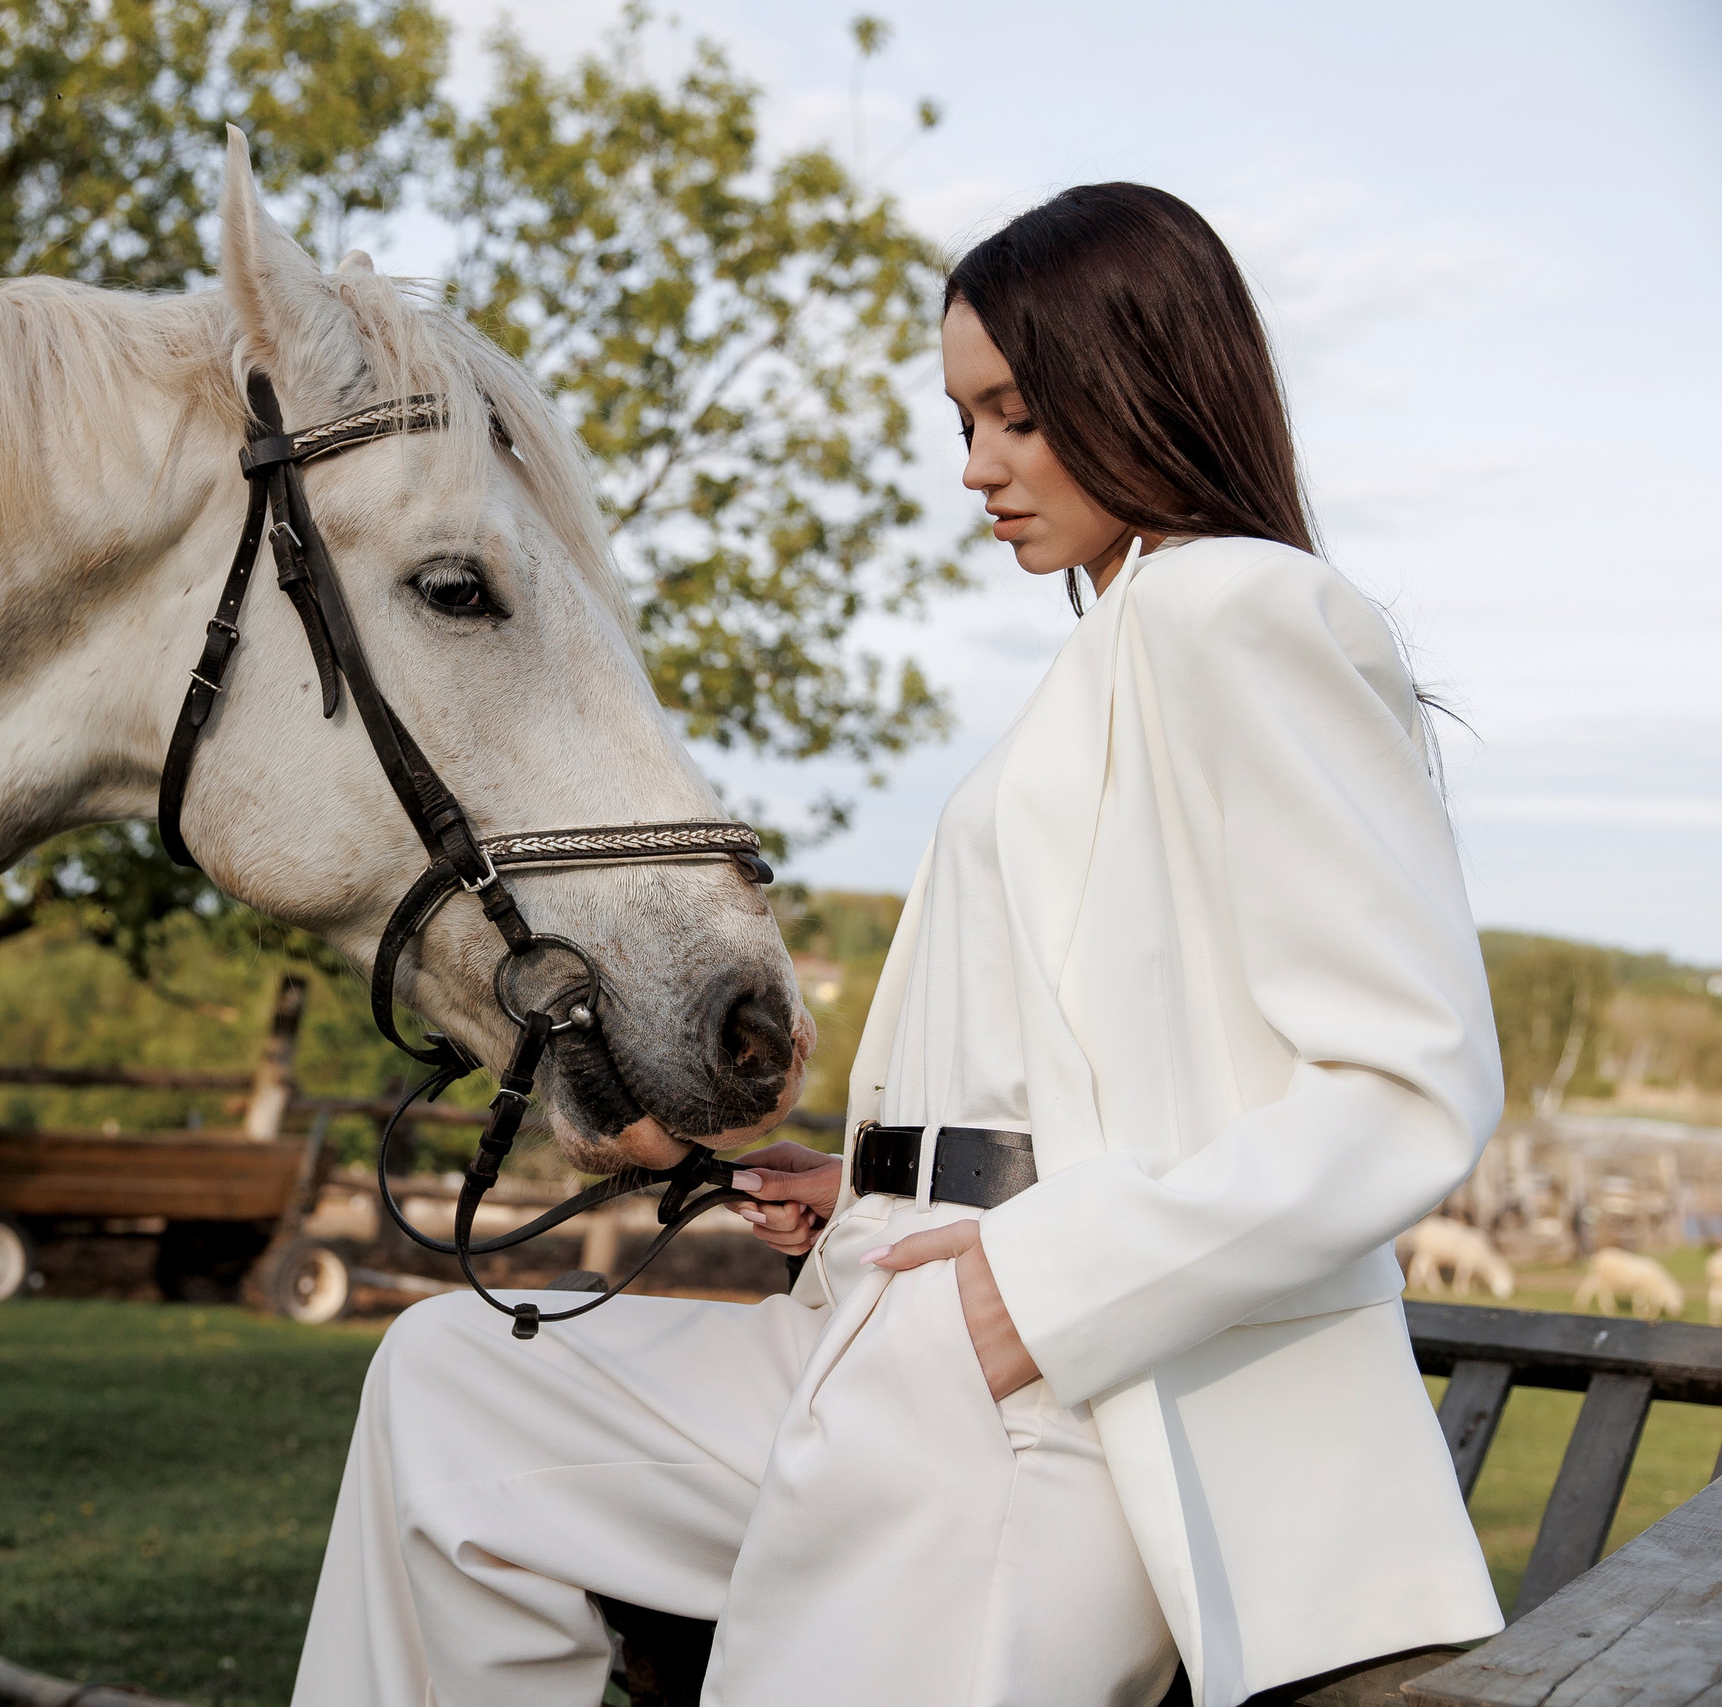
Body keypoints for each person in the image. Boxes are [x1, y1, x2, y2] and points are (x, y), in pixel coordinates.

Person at [291, 183, 1504, 1707]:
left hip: (1055, 1388)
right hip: (890, 1316)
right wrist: (870, 1186)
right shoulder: (1119, 644)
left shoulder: (1243, 612)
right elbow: (1068, 1058)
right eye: (964, 420)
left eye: (1016, 417)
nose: (977, 467)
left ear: (1139, 384)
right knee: (452, 1389)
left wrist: (1033, 1292)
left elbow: (1406, 1089)